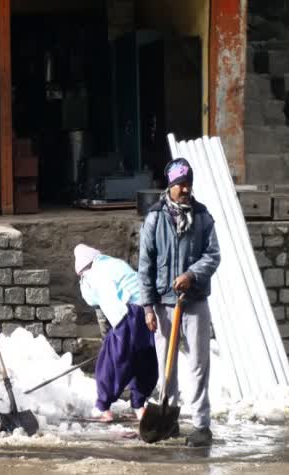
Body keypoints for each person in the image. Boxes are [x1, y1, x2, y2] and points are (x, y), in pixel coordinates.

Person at [138, 158, 221, 447]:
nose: (185, 190)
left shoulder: (202, 216)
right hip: (163, 304)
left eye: (188, 184)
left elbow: (213, 256)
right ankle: (169, 421)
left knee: (199, 364)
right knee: (166, 367)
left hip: (194, 301)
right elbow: (145, 264)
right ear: (170, 186)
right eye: (179, 185)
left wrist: (191, 275)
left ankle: (201, 425)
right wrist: (148, 307)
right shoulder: (155, 218)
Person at [74, 244, 158, 423]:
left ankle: (102, 407)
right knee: (144, 359)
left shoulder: (93, 275)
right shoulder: (113, 264)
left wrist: (114, 334)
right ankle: (139, 405)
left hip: (127, 313)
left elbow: (105, 301)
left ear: (83, 269)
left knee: (111, 361)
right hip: (148, 311)